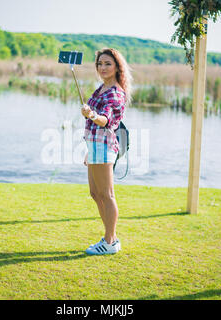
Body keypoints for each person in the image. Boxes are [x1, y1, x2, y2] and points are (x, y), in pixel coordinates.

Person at [80, 48, 132, 255]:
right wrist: (89, 150)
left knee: (107, 194)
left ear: (117, 67)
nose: (102, 67)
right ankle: (110, 237)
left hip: (104, 146)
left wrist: (91, 114)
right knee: (95, 193)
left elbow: (106, 120)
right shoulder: (101, 88)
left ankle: (110, 242)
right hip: (94, 145)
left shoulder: (115, 92)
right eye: (100, 63)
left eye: (107, 63)